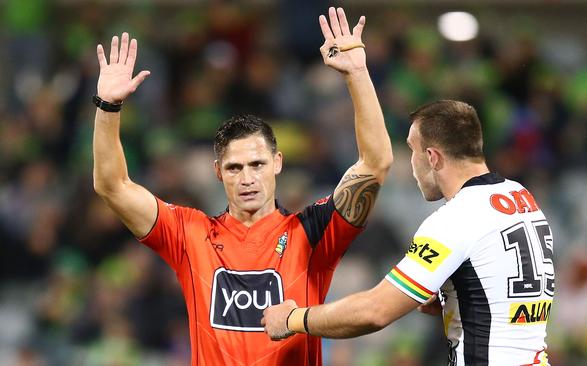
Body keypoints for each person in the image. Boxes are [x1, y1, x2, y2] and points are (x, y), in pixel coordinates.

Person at [92, 7, 392, 366]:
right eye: (234, 167)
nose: (247, 178)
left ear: (277, 164)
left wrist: (357, 74)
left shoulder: (311, 233)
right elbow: (112, 185)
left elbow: (375, 164)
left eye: (257, 165)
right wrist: (108, 106)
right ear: (218, 172)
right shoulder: (190, 235)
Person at [262, 100, 555, 366]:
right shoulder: (519, 196)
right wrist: (450, 297)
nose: (412, 166)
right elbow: (502, 292)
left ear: (433, 157)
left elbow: (375, 311)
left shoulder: (456, 218)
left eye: (413, 151)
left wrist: (292, 318)